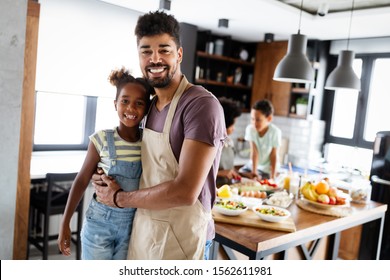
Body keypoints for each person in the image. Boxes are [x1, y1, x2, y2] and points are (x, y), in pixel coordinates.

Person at [93, 11, 226, 260]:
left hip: (184, 239)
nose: (155, 59)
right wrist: (104, 175)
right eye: (146, 51)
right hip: (144, 232)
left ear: (179, 54)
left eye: (164, 50)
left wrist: (120, 198)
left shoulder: (200, 105)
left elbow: (186, 192)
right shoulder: (149, 107)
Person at [57, 68, 154, 259]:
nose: (131, 109)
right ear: (115, 104)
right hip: (99, 225)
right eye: (125, 101)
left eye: (139, 103)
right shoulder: (100, 139)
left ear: (147, 109)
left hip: (133, 226)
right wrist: (65, 222)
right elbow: (81, 180)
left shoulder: (149, 143)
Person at [239, 99, 281, 180]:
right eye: (252, 119)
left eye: (258, 120)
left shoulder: (275, 132)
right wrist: (254, 173)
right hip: (254, 165)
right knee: (240, 173)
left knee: (264, 178)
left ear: (269, 118)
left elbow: (274, 155)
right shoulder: (250, 129)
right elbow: (254, 152)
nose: (254, 123)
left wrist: (273, 176)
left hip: (267, 168)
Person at [216, 97, 242, 186]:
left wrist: (243, 174)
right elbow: (198, 172)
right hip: (213, 189)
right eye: (233, 124)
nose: (234, 128)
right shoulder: (211, 143)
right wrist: (221, 173)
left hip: (227, 188)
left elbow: (229, 169)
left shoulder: (229, 142)